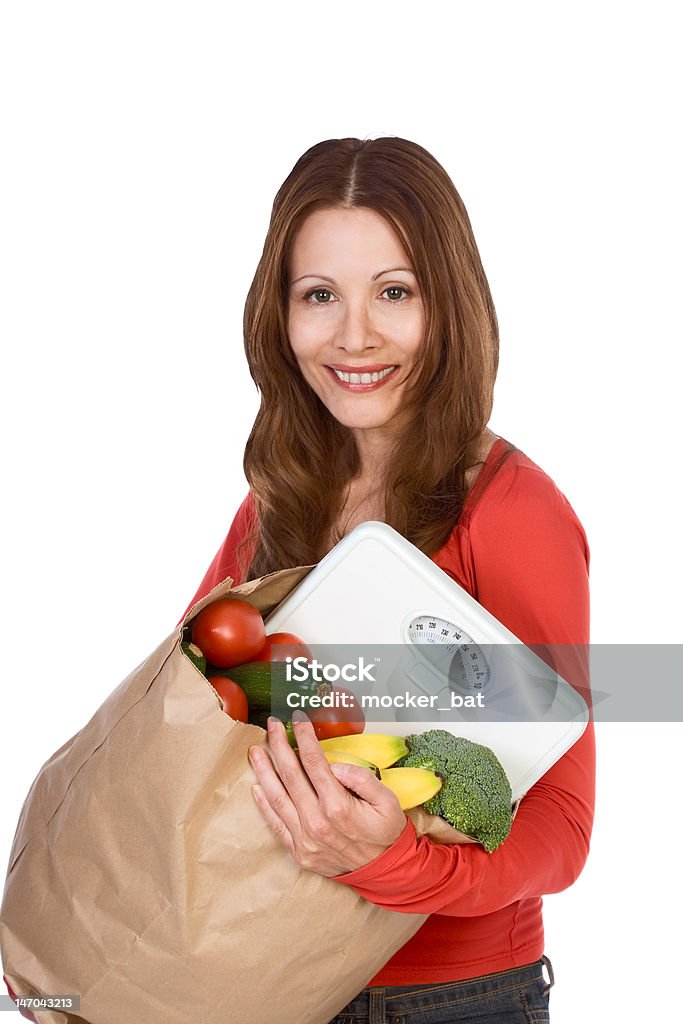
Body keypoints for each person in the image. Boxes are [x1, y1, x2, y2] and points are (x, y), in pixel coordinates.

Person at [187, 137, 595, 1024]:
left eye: (395, 293)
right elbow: (182, 726)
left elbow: (562, 833)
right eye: (319, 295)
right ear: (279, 316)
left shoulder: (514, 513)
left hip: (453, 1002)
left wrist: (388, 859)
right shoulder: (273, 504)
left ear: (448, 307)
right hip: (269, 985)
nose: (355, 335)